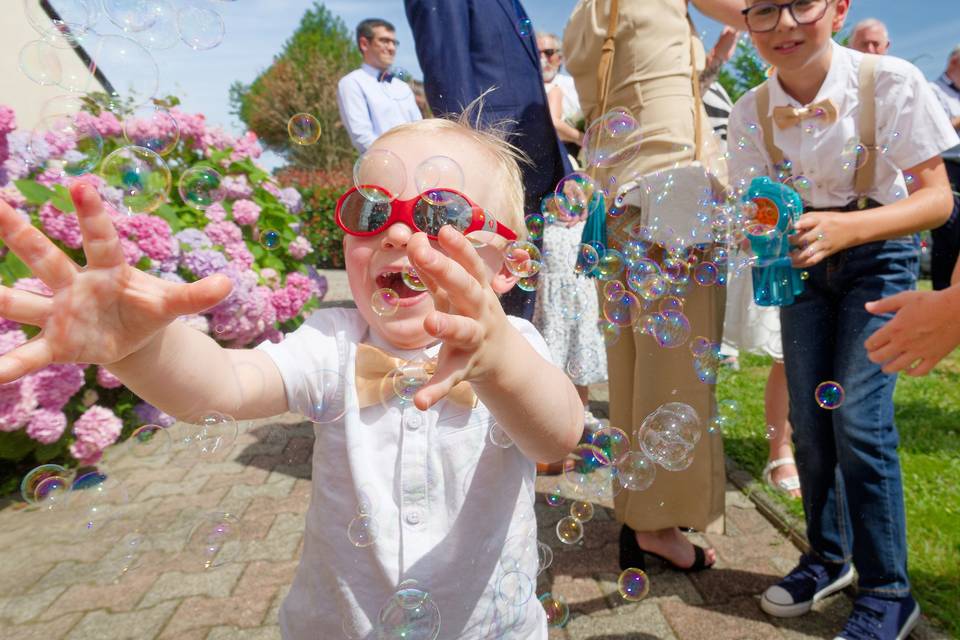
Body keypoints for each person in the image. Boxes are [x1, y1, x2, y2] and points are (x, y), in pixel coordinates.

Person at [0, 113, 583, 639]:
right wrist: (138, 347)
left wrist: (500, 360)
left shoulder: (519, 350)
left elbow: (556, 436)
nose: (398, 233)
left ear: (509, 264)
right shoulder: (332, 341)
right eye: (370, 211)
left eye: (441, 214)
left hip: (489, 629)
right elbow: (226, 383)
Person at [729, 0, 958, 637]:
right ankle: (828, 557)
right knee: (809, 415)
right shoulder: (750, 110)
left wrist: (846, 229)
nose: (782, 25)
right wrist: (756, 231)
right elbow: (755, 210)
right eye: (763, 11)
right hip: (802, 260)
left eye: (800, 3)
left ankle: (889, 589)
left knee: (857, 414)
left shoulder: (890, 83)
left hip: (877, 253)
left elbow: (937, 201)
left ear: (837, 8)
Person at [564, 0, 745, 574]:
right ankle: (656, 526)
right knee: (674, 380)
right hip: (674, 200)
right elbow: (757, 11)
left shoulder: (586, 16)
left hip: (617, 200)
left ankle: (643, 512)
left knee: (634, 370)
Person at [404, 0, 573, 321]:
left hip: (530, 170)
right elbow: (448, 80)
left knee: (516, 298)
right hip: (493, 169)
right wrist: (470, 166)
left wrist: (562, 167)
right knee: (485, 298)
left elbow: (531, 93)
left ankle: (506, 365)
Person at [336, 18, 422, 153]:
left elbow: (419, 128)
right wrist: (398, 157)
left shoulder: (403, 87)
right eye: (384, 41)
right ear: (364, 44)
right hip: (381, 167)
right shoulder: (352, 83)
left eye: (394, 42)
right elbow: (361, 136)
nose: (392, 48)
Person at [928, 45, 960, 291]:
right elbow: (935, 131)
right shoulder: (934, 91)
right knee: (949, 232)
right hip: (947, 167)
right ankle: (943, 291)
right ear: (955, 63)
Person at [538, 32, 584, 158]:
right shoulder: (528, 89)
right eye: (537, 53)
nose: (542, 59)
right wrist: (582, 139)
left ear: (560, 58)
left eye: (548, 52)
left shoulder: (574, 85)